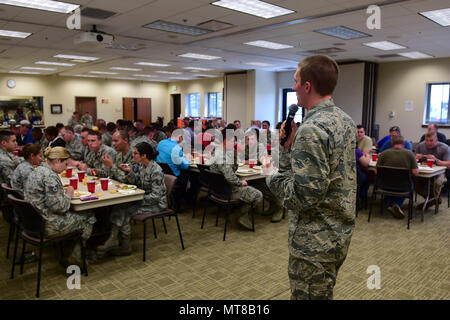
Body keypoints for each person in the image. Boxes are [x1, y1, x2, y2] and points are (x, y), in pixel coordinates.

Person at [266, 55, 356, 300]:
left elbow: (304, 197)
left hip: (313, 242)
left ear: (307, 86)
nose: (293, 87)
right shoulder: (345, 121)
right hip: (337, 233)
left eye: (296, 81)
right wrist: (289, 148)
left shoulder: (312, 128)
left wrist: (272, 177)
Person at [24, 147, 96, 267]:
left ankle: (69, 248)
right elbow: (60, 208)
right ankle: (76, 257)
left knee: (81, 213)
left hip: (33, 222)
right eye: (66, 164)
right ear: (57, 160)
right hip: (47, 224)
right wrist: (68, 194)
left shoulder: (38, 170)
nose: (66, 168)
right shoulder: (50, 176)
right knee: (89, 217)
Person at [97, 142, 167, 256]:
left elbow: (156, 196)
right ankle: (114, 239)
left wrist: (137, 199)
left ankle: (124, 245)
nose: (133, 155)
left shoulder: (156, 170)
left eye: (135, 153)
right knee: (119, 207)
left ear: (144, 156)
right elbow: (135, 182)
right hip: (144, 199)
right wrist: (129, 172)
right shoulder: (140, 166)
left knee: (126, 211)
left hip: (156, 204)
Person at [210, 129, 263, 230]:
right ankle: (239, 214)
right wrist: (240, 182)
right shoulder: (221, 155)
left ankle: (237, 213)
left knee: (249, 186)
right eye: (233, 141)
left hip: (216, 189)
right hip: (227, 191)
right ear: (226, 141)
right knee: (258, 195)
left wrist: (234, 155)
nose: (234, 143)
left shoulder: (217, 151)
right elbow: (230, 177)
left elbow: (233, 169)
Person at [376, 135, 418, 218]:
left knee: (391, 183)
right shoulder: (410, 154)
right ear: (404, 143)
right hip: (403, 187)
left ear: (391, 143)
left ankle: (390, 204)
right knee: (410, 185)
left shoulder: (383, 154)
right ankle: (396, 204)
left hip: (384, 186)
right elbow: (415, 173)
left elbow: (376, 172)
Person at [156, 127, 191, 209]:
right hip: (173, 175)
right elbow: (184, 166)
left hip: (162, 173)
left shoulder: (161, 143)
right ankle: (185, 200)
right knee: (191, 175)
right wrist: (187, 159)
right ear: (180, 137)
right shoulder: (177, 148)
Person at [414, 131, 450, 210]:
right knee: (412, 178)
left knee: (437, 183)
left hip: (440, 172)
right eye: (426, 140)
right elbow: (413, 159)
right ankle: (433, 199)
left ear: (436, 140)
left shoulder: (444, 147)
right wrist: (416, 158)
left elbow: (448, 164)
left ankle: (432, 200)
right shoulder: (421, 146)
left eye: (431, 141)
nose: (428, 143)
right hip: (424, 170)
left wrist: (436, 160)